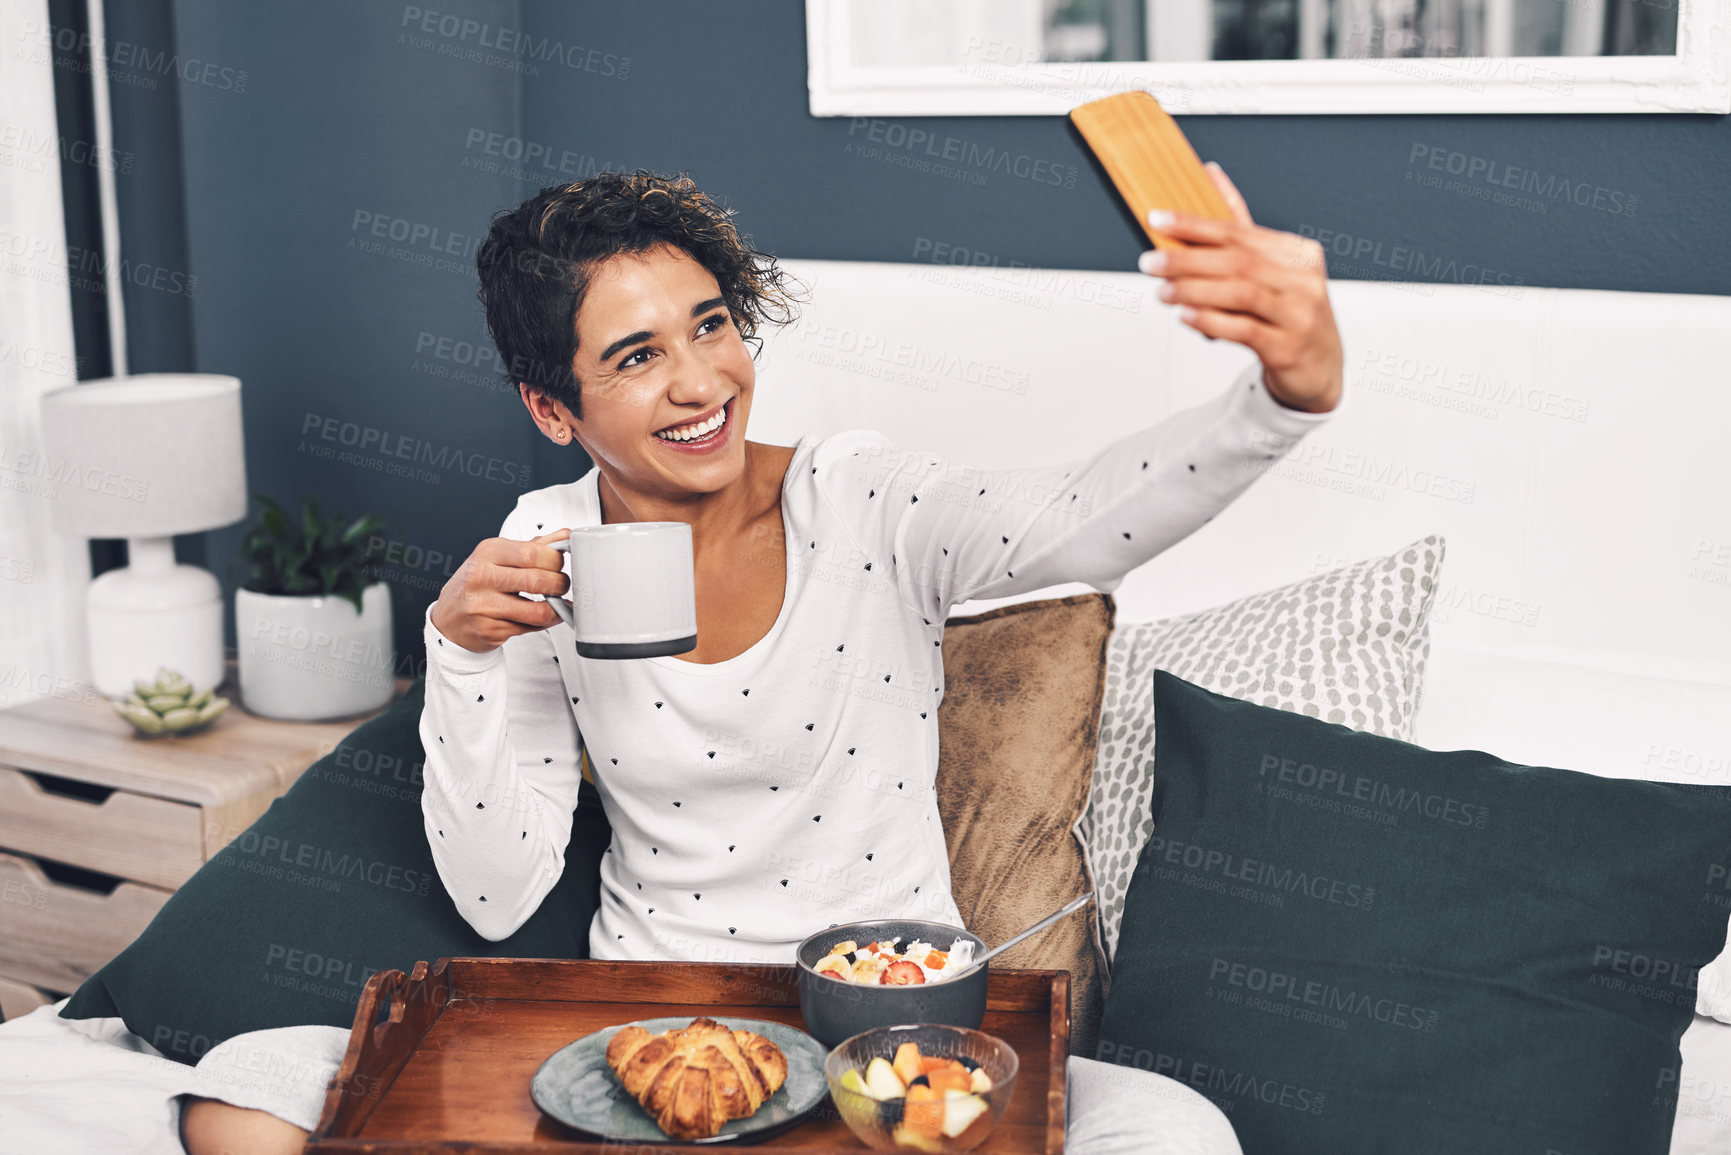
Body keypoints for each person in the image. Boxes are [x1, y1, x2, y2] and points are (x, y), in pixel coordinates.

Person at [180, 167, 1341, 1154]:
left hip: (881, 1041)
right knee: (242, 1082)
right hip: (646, 1040)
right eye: (636, 356)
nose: (700, 382)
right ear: (552, 408)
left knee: (1175, 1127)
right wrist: (459, 656)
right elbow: (496, 901)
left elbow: (1079, 517)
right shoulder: (544, 554)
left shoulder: (865, 501)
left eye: (712, 325)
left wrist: (1283, 395)